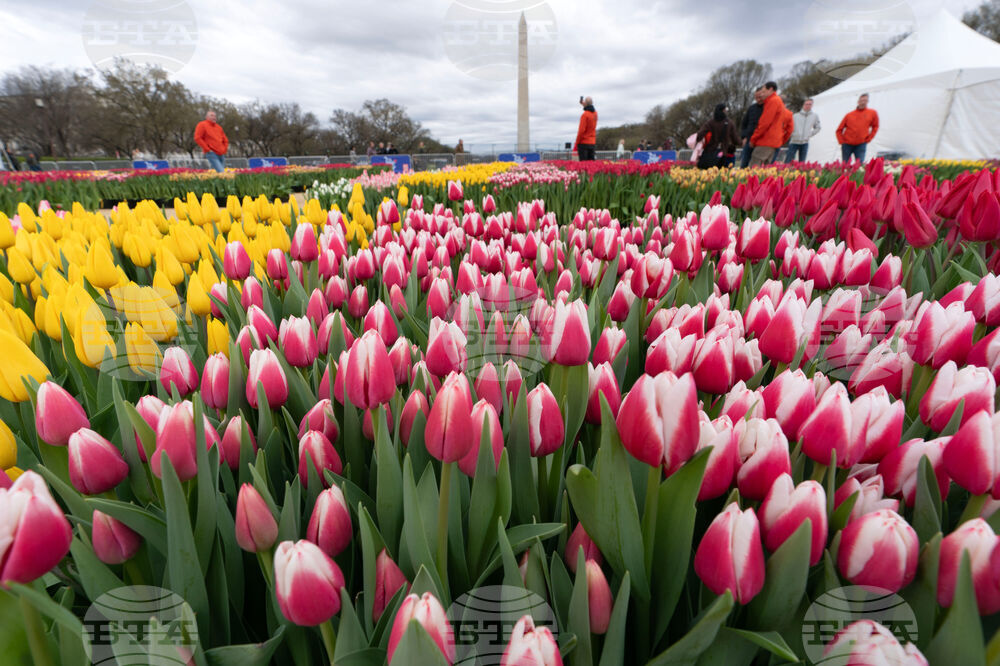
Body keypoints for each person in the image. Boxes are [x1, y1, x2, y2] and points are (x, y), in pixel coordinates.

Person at [748, 82, 787, 167]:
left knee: (754, 168)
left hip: (765, 141)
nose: (762, 93)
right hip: (772, 142)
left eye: (764, 90)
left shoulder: (772, 101)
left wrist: (753, 139)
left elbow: (764, 123)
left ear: (770, 89)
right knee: (764, 170)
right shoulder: (778, 101)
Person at [836, 93, 879, 163]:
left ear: (867, 102)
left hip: (861, 144)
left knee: (859, 166)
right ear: (858, 102)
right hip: (847, 144)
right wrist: (841, 141)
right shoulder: (849, 115)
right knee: (845, 165)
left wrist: (869, 138)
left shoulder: (872, 113)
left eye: (865, 100)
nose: (863, 102)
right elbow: (839, 130)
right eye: (862, 100)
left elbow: (875, 126)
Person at [696, 103, 739, 169]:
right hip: (722, 152)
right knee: (721, 173)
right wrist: (741, 142)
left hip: (709, 152)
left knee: (708, 172)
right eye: (726, 110)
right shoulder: (729, 123)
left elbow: (700, 134)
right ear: (723, 111)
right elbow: (735, 138)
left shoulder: (710, 122)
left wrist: (696, 141)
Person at [785, 98, 821, 163]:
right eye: (806, 104)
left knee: (802, 163)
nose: (808, 106)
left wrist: (809, 134)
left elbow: (818, 127)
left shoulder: (815, 116)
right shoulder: (795, 116)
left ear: (812, 105)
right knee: (788, 161)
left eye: (810, 104)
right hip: (794, 142)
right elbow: (789, 127)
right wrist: (792, 134)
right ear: (803, 105)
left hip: (805, 142)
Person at [739, 87, 765, 168]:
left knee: (756, 165)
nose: (758, 99)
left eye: (759, 97)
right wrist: (744, 136)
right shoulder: (752, 108)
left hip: (761, 141)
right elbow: (744, 123)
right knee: (744, 164)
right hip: (749, 139)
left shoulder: (767, 108)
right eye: (756, 97)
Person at [574, 96, 598, 161]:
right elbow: (589, 107)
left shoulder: (585, 115)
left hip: (583, 143)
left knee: (584, 165)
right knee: (591, 165)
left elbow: (581, 131)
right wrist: (583, 104)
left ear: (586, 104)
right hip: (592, 142)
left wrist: (577, 142)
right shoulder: (595, 114)